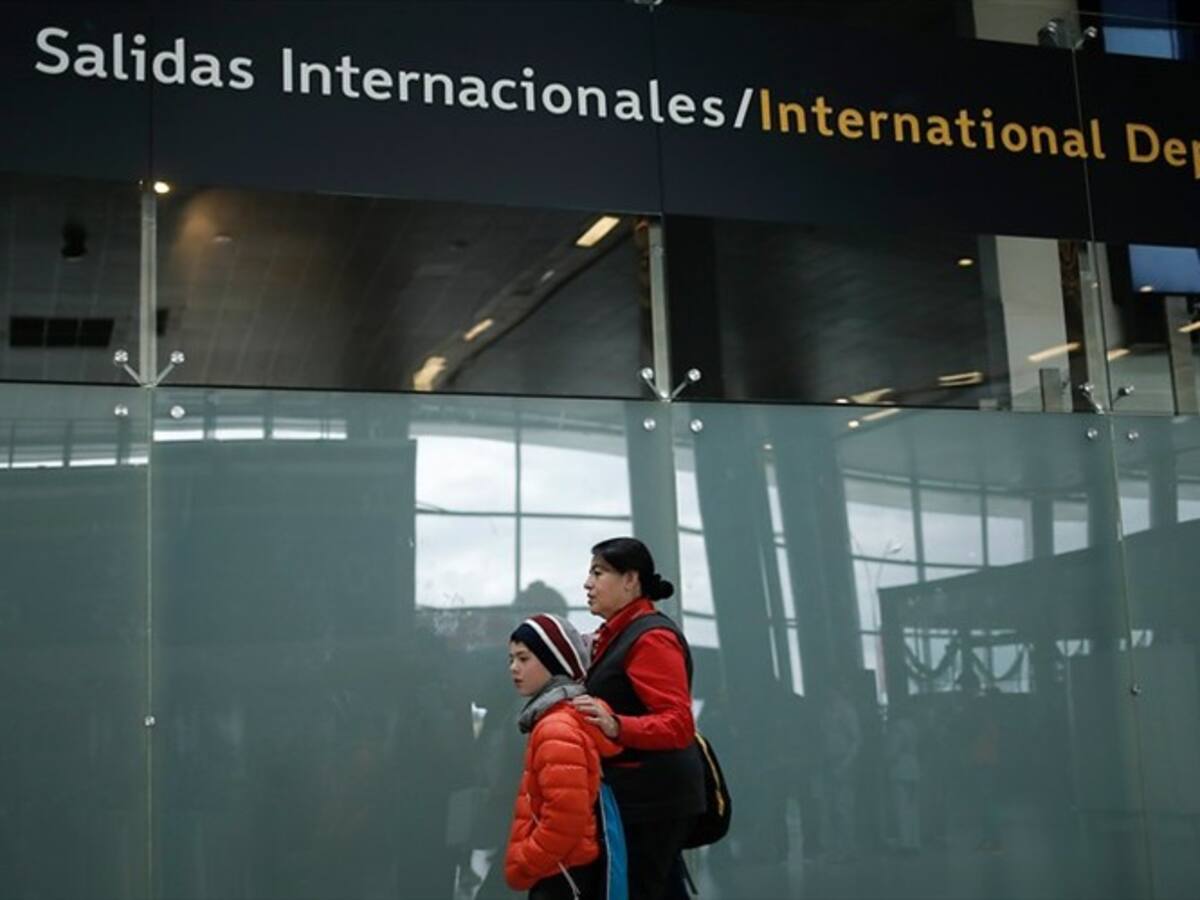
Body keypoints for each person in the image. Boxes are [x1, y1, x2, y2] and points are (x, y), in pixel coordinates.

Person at [571, 538, 705, 900]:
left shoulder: (652, 638)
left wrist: (617, 725)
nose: (587, 583)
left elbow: (678, 724)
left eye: (598, 573)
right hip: (643, 798)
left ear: (630, 580)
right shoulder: (616, 635)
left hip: (654, 800)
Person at [505, 613, 621, 900]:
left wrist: (524, 862)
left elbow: (565, 819)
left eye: (523, 658)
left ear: (553, 661)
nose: (513, 668)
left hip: (561, 873)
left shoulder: (556, 727)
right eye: (511, 659)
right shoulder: (562, 718)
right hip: (570, 869)